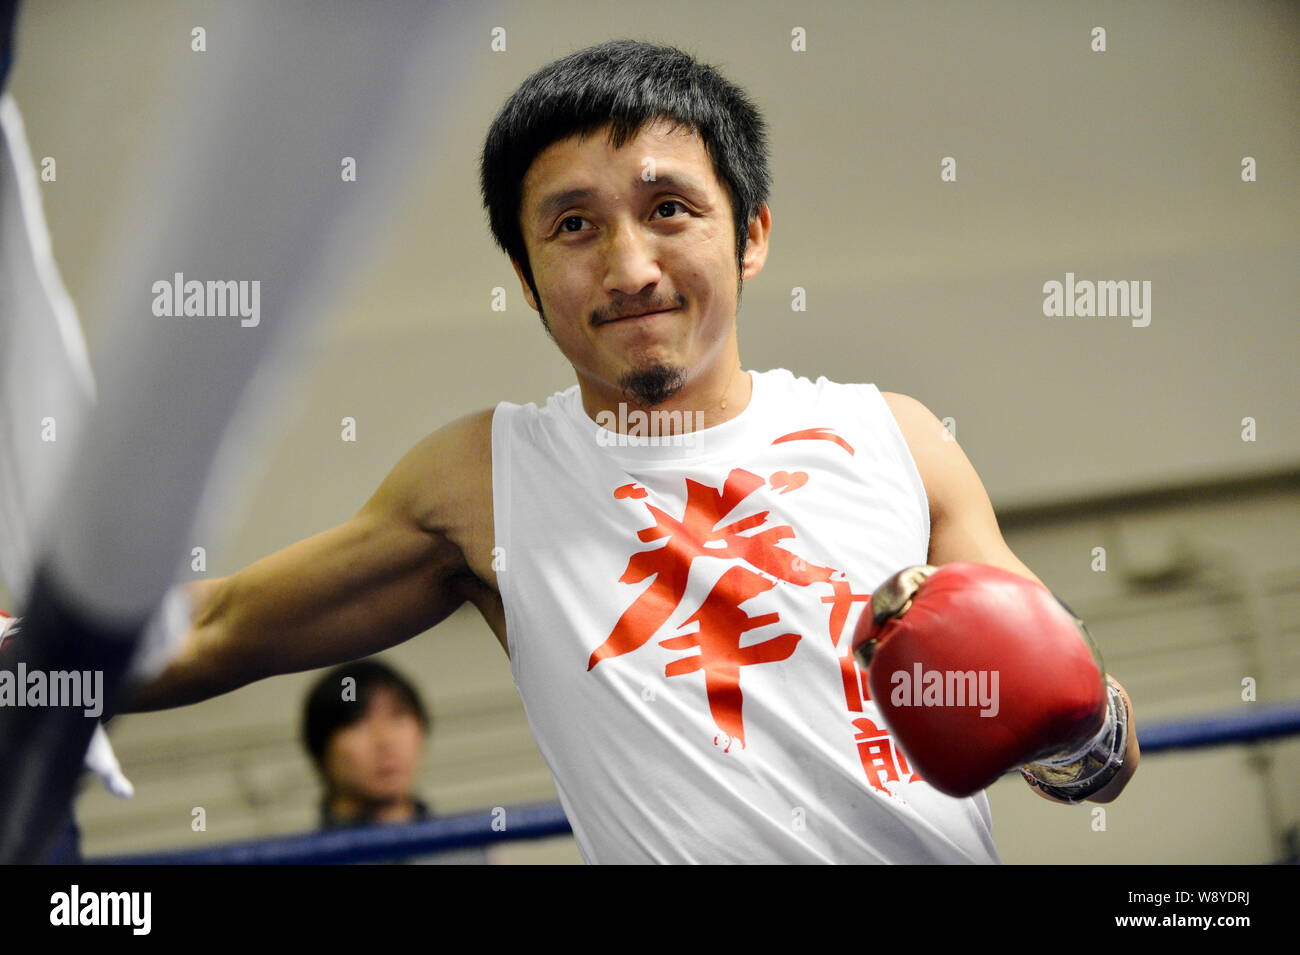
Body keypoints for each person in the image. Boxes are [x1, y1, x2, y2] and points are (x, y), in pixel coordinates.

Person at [124, 39, 1139, 863]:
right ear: (524, 278)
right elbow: (218, 626)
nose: (629, 266)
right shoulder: (483, 479)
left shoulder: (897, 438)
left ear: (749, 234)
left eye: (668, 208)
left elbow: (1094, 748)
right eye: (573, 226)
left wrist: (1075, 728)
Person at [302, 660, 491, 864]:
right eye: (357, 721)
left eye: (398, 716)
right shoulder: (296, 857)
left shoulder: (468, 848)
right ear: (320, 751)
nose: (384, 740)